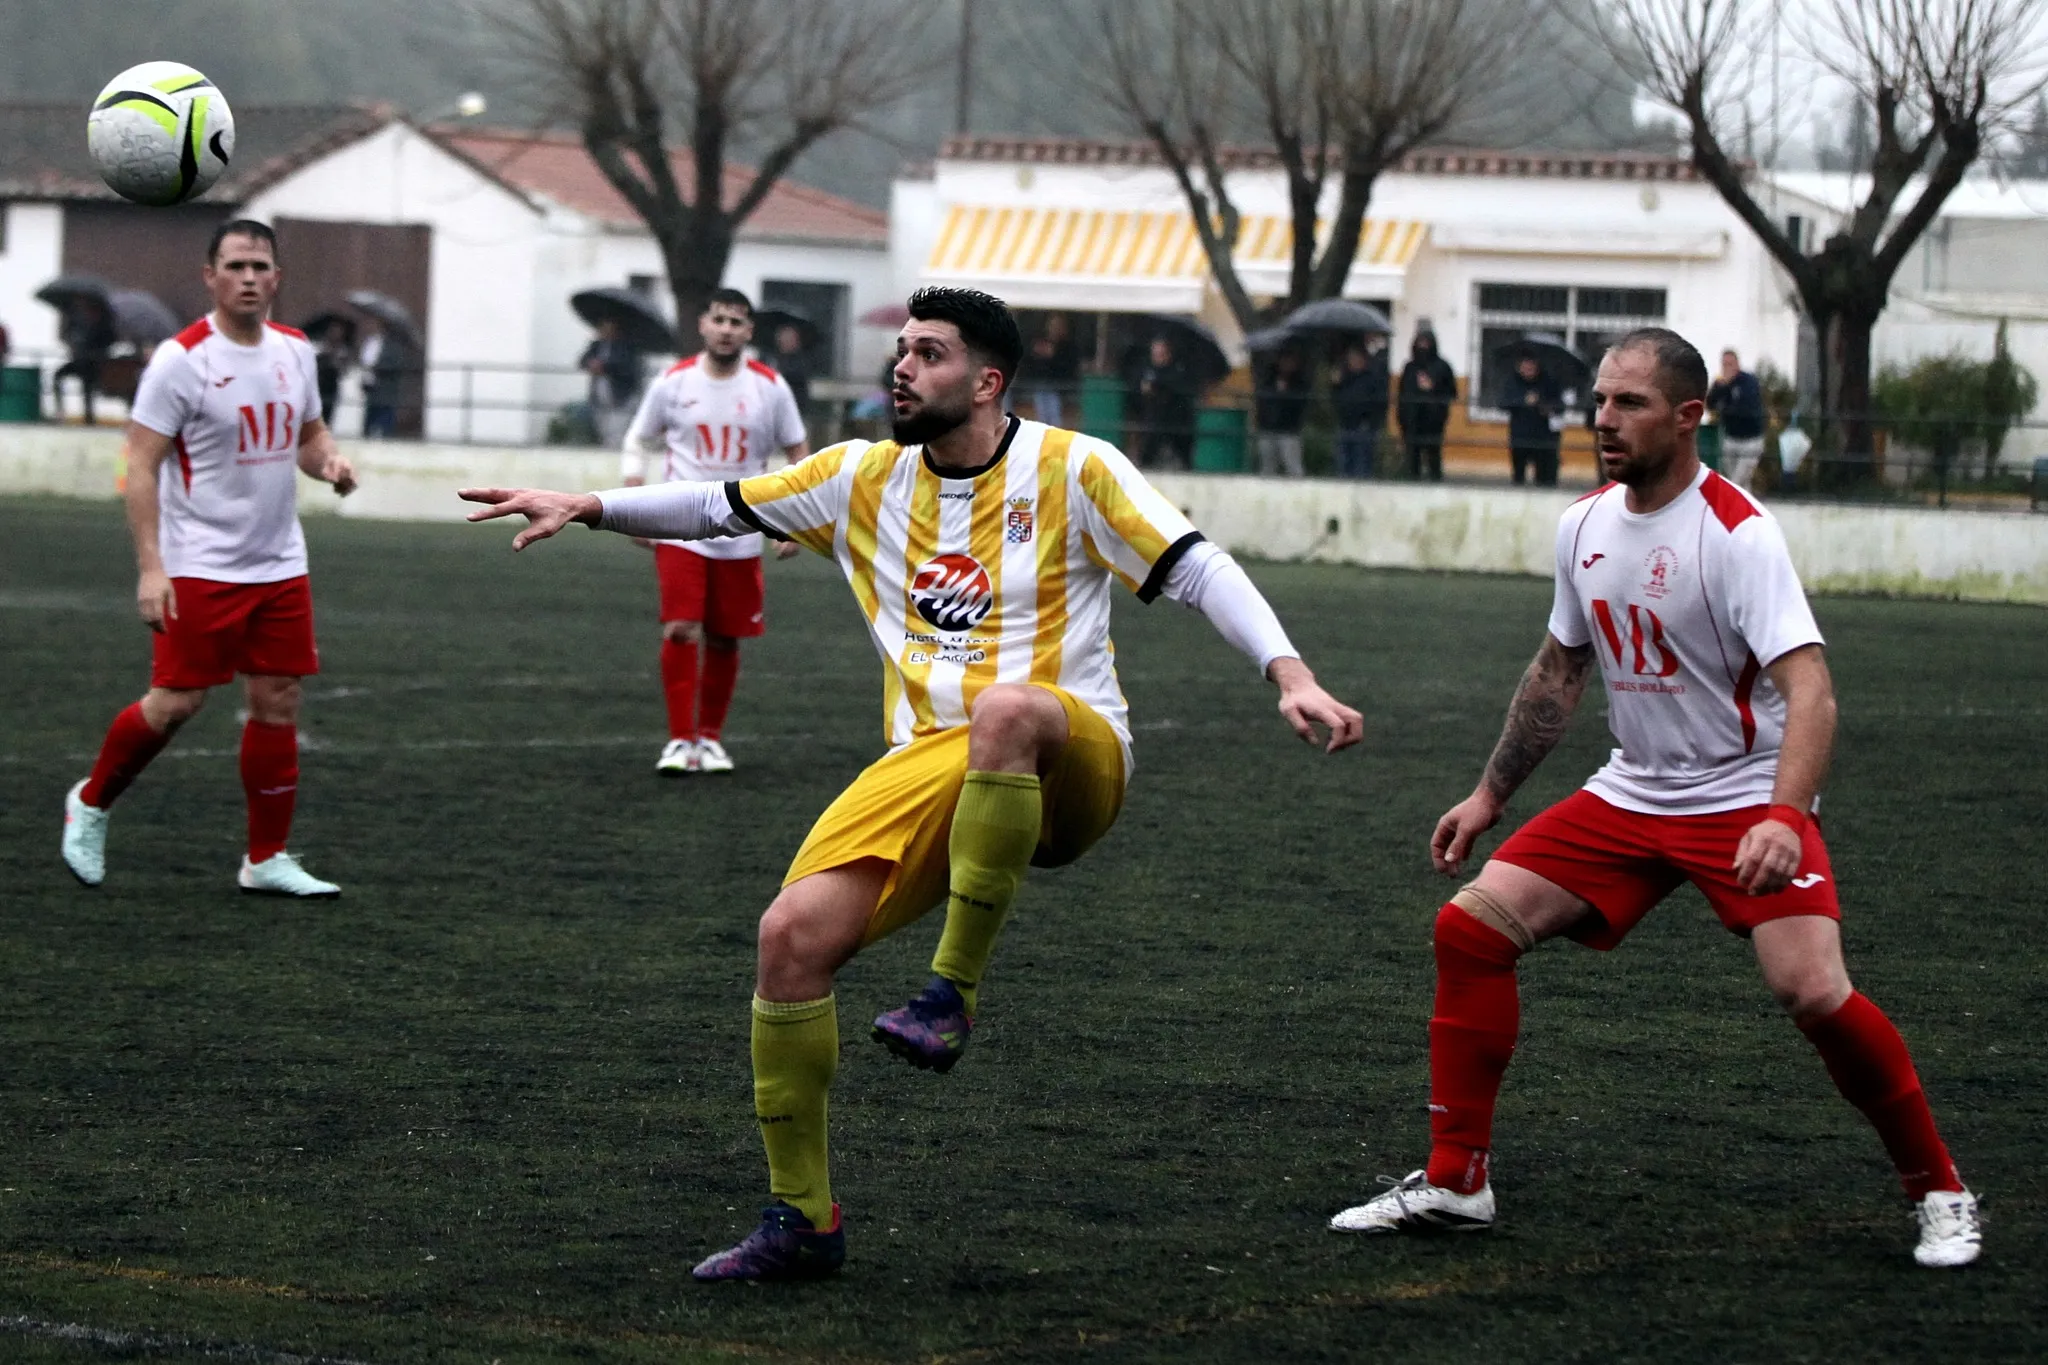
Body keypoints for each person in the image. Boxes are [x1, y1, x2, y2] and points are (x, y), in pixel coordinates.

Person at [461, 285, 1364, 1282]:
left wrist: (1290, 673)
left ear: (986, 383)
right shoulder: (858, 478)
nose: (901, 366)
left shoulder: (1073, 466)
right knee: (787, 942)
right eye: (900, 350)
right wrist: (588, 506)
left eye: (927, 353)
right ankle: (800, 1219)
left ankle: (950, 992)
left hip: (1071, 759)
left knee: (1005, 709)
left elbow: (1196, 567)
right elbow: (718, 505)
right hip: (930, 766)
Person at [1326, 327, 1979, 1270]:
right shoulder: (1584, 525)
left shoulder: (1738, 532)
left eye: (1628, 403)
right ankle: (1458, 1180)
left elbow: (1813, 692)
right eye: (1599, 400)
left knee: (1812, 990)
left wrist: (1785, 816)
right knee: (1470, 930)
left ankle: (1942, 1190)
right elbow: (1559, 669)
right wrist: (1488, 794)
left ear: (1688, 416)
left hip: (1742, 793)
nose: (1603, 420)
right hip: (1633, 790)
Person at [60, 220, 358, 898]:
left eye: (260, 265)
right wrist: (151, 565)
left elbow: (308, 436)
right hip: (200, 563)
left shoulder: (295, 350)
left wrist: (331, 463)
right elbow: (139, 464)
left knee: (278, 698)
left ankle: (266, 857)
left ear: (277, 278)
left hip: (279, 560)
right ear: (210, 276)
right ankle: (92, 800)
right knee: (176, 702)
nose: (249, 277)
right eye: (236, 265)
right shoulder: (181, 359)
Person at [619, 288, 807, 775]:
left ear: (749, 332)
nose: (726, 329)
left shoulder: (769, 386)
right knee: (681, 627)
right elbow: (638, 439)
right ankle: (681, 741)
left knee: (726, 637)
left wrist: (797, 521)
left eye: (736, 322)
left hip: (742, 524)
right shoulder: (674, 381)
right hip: (679, 521)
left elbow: (797, 452)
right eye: (718, 319)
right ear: (703, 324)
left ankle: (711, 739)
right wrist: (635, 495)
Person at [1398, 322, 1456, 481]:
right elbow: (1402, 394)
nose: (1423, 346)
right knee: (1412, 458)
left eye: (1426, 342)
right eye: (1420, 342)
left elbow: (1452, 392)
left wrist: (1433, 388)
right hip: (1412, 420)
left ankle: (1436, 484)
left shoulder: (1443, 367)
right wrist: (1402, 418)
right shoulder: (1409, 367)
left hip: (1434, 421)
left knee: (1433, 456)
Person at [581, 318, 647, 450]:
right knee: (603, 429)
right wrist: (591, 364)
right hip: (599, 397)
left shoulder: (627, 347)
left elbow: (626, 367)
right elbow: (582, 361)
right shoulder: (596, 346)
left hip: (621, 397)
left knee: (617, 432)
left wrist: (604, 367)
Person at [1500, 350, 1563, 487]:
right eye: (1525, 366)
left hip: (1543, 435)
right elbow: (1503, 403)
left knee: (1543, 474)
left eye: (1531, 366)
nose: (1528, 369)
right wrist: (1523, 401)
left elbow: (1559, 405)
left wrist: (1543, 406)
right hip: (1520, 434)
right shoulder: (1513, 382)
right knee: (1518, 472)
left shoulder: (1548, 382)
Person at [1134, 335, 1198, 469]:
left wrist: (1157, 386)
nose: (1157, 357)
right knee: (1150, 446)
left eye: (1161, 354)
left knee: (1182, 448)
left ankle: (1188, 468)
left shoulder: (1178, 368)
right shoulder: (1147, 368)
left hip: (1176, 417)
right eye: (1155, 353)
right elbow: (1136, 383)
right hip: (1154, 417)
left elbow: (1178, 387)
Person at [1708, 348, 1767, 489]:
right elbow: (1710, 403)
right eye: (1724, 364)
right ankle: (1748, 509)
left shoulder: (1748, 382)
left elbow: (1746, 406)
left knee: (1737, 481)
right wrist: (1720, 388)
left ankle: (1733, 510)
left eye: (1730, 364)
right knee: (1739, 481)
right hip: (1731, 437)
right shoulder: (1721, 383)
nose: (1727, 368)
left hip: (1750, 439)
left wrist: (1726, 407)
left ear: (1737, 364)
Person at [54, 296, 117, 425]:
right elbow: (66, 337)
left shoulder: (103, 325)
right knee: (58, 376)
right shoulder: (76, 321)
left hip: (93, 362)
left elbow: (109, 341)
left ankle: (89, 417)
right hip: (78, 360)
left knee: (87, 387)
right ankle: (60, 412)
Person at [1333, 338, 1390, 479]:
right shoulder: (1344, 377)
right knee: (1343, 464)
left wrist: (1372, 422)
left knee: (1362, 465)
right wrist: (1335, 385)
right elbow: (1336, 399)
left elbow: (1379, 402)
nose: (1353, 361)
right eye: (1350, 358)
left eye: (1356, 358)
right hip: (1345, 424)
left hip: (1363, 426)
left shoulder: (1372, 377)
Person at [1018, 312, 1080, 427]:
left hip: (1061, 385)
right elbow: (1028, 364)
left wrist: (1054, 355)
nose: (1055, 328)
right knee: (1043, 398)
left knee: (1053, 410)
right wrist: (1037, 354)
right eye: (1053, 325)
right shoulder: (1039, 341)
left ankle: (1054, 430)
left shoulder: (1067, 345)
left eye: (1058, 325)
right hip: (1040, 383)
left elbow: (1068, 366)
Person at [1253, 348, 1309, 477]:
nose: (1287, 364)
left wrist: (1285, 394)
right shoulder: (1269, 378)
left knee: (1292, 465)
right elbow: (1263, 400)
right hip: (1268, 426)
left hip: (1288, 428)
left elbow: (1300, 404)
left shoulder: (1299, 382)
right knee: (1267, 465)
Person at [768, 323, 812, 412]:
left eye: (789, 338)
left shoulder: (800, 360)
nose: (785, 341)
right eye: (783, 338)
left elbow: (794, 376)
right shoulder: (773, 358)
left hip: (794, 407)